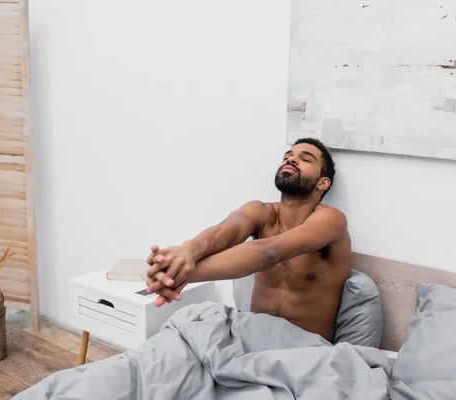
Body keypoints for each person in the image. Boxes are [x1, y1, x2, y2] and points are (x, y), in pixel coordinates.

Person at [145, 138, 351, 342]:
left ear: (323, 183)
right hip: (251, 340)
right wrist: (188, 251)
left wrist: (179, 275)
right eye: (287, 157)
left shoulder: (331, 220)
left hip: (306, 350)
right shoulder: (261, 211)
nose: (291, 160)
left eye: (305, 159)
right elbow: (227, 230)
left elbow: (269, 251)